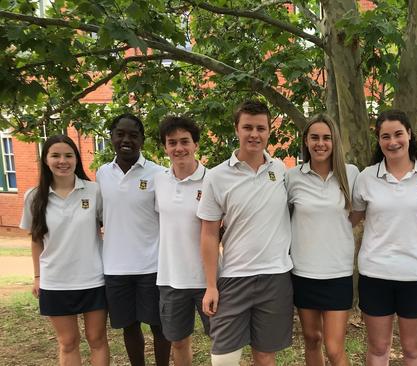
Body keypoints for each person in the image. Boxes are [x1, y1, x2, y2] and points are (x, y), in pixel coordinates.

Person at [198, 100, 293, 366]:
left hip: (275, 276)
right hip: (234, 277)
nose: (254, 134)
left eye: (261, 128)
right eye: (248, 127)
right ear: (236, 129)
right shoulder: (216, 176)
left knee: (265, 356)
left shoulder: (281, 171)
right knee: (224, 359)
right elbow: (208, 234)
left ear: (269, 131)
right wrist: (211, 285)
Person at [350, 109, 417, 366]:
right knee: (378, 348)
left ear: (409, 135)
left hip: (416, 276)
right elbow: (352, 219)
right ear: (379, 141)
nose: (393, 142)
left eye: (398, 134)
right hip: (375, 275)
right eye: (385, 136)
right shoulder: (366, 178)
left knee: (413, 350)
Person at [20, 135, 109, 365]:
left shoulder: (93, 191)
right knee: (68, 342)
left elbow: (107, 227)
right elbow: (36, 240)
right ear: (46, 160)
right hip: (55, 281)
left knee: (97, 338)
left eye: (68, 155)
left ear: (76, 159)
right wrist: (38, 276)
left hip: (93, 279)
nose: (63, 161)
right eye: (56, 155)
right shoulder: (34, 197)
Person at [96, 113, 169, 366]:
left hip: (152, 266)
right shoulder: (101, 174)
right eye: (120, 134)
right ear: (112, 137)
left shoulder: (159, 174)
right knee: (129, 327)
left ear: (142, 140)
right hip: (115, 268)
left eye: (133, 135)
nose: (126, 140)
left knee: (159, 327)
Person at [285, 114, 359, 366]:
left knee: (335, 348)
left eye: (326, 138)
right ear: (305, 141)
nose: (320, 143)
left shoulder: (351, 174)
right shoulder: (292, 177)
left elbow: (361, 215)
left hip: (338, 273)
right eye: (314, 137)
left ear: (334, 141)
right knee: (312, 339)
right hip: (304, 272)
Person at [154, 116, 210, 366]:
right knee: (178, 341)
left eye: (185, 141)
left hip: (208, 279)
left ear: (196, 144)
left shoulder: (213, 180)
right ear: (165, 147)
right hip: (171, 278)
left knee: (222, 340)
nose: (179, 148)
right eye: (172, 142)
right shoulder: (158, 181)